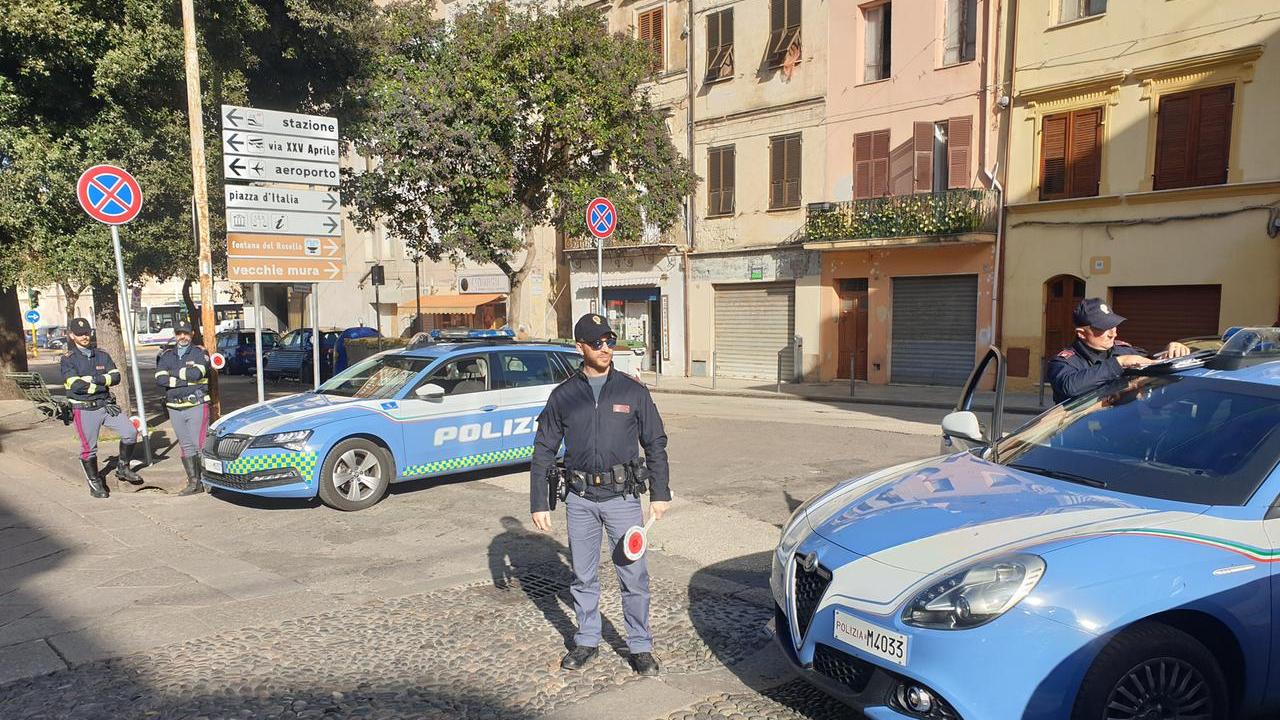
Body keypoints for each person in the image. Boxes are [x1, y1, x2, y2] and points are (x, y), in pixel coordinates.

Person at [530, 313, 671, 677]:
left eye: (610, 340)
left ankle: (640, 646)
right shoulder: (563, 395)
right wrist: (539, 502)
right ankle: (587, 640)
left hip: (623, 499)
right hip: (579, 500)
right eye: (597, 343)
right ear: (581, 348)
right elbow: (544, 448)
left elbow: (655, 442)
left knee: (634, 576)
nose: (606, 348)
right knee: (583, 576)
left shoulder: (632, 391)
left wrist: (660, 492)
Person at [1046, 298, 1191, 404]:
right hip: (1078, 439)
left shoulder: (1123, 350)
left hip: (1123, 434)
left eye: (1113, 325)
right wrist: (1118, 363)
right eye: (1103, 328)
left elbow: (1155, 364)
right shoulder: (1065, 362)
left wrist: (1171, 350)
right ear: (1082, 333)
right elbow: (1069, 387)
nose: (1113, 333)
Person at [60, 317, 143, 497]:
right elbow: (75, 386)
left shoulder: (102, 355)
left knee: (130, 433)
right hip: (84, 409)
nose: (84, 336)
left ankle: (123, 467)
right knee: (89, 448)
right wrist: (101, 383)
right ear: (72, 335)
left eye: (87, 332)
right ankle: (95, 481)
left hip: (106, 405)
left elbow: (116, 377)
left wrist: (93, 380)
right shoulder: (68, 359)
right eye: (80, 334)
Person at [155, 320, 211, 496]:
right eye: (179, 333)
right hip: (174, 407)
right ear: (175, 334)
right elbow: (159, 378)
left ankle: (208, 480)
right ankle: (194, 483)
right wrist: (184, 378)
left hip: (195, 405)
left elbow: (197, 374)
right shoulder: (167, 355)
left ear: (192, 334)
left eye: (186, 333)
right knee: (186, 445)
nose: (182, 337)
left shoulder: (199, 352)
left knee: (199, 445)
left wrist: (173, 374)